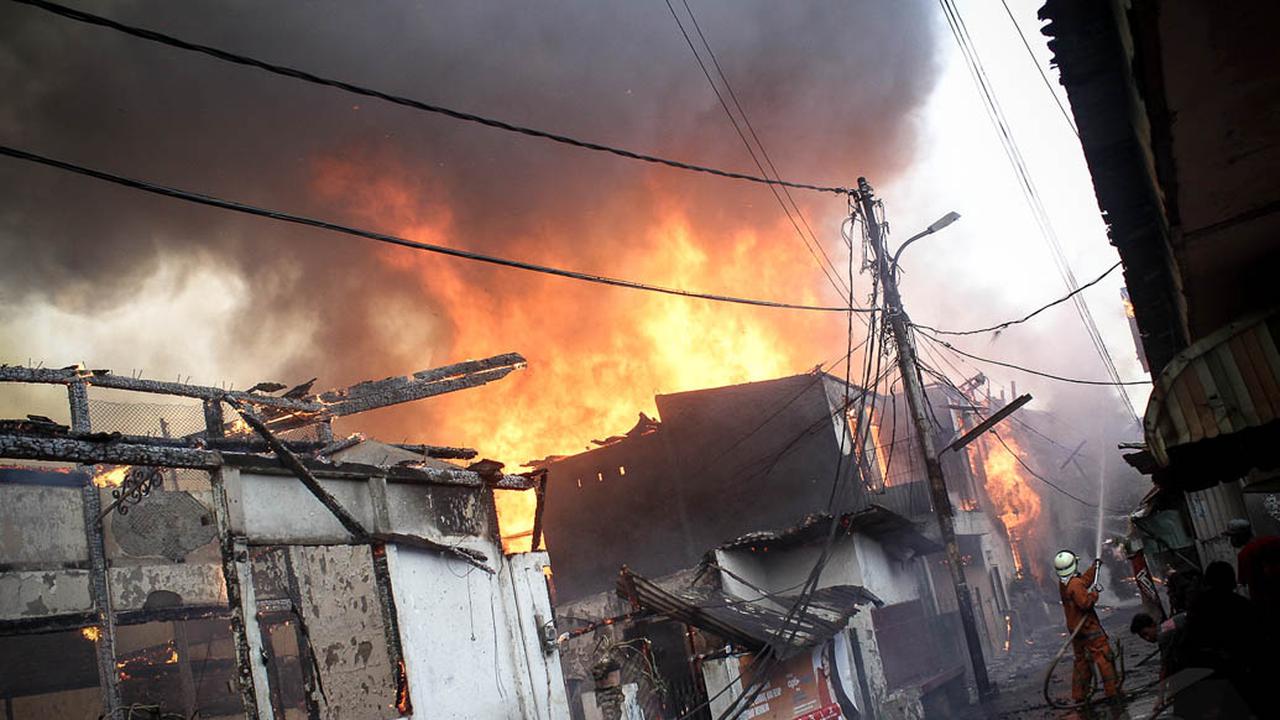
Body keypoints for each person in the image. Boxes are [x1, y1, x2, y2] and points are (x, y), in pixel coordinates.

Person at [1054, 549, 1120, 703]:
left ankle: (1079, 695)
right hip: (1088, 628)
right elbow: (1085, 603)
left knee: (1081, 662)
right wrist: (1094, 595)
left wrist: (1094, 568)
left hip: (1076, 630)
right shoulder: (1075, 584)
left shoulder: (1065, 583)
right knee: (1104, 657)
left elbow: (1082, 582)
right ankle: (1112, 691)